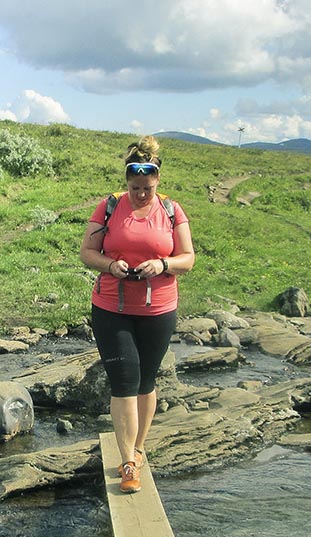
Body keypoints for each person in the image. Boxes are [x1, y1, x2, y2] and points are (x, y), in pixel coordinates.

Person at [79, 136, 195, 493]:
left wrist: (162, 264)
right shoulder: (109, 207)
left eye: (146, 188)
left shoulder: (172, 211)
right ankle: (128, 460)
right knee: (125, 383)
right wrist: (111, 265)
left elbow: (187, 258)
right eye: (134, 188)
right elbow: (87, 252)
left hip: (158, 308)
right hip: (112, 308)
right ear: (126, 182)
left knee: (146, 382)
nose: (140, 194)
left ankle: (140, 447)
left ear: (157, 180)